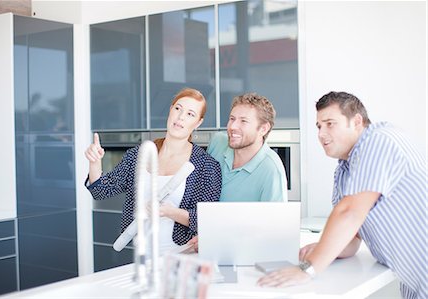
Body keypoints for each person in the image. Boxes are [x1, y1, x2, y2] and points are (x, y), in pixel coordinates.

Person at [258, 91, 427, 299]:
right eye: (319, 126)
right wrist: (323, 248)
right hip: (414, 284)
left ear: (356, 122)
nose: (321, 134)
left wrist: (308, 269)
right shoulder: (344, 170)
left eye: (330, 124)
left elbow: (349, 212)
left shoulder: (378, 140)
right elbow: (353, 237)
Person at [85, 88, 222, 254]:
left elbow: (206, 220)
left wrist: (169, 212)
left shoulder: (206, 166)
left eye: (190, 114)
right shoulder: (139, 155)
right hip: (142, 254)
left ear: (198, 123)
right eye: (178, 109)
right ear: (170, 110)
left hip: (182, 256)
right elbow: (100, 192)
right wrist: (94, 163)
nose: (180, 117)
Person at [207, 92, 288, 202]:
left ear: (263, 129)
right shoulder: (218, 142)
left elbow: (275, 218)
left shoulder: (272, 169)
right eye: (232, 119)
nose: (232, 126)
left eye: (243, 121)